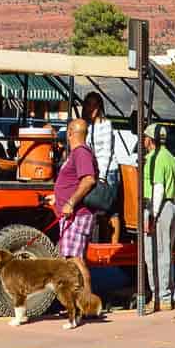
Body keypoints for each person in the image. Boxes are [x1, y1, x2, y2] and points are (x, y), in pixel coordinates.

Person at [50, 118, 98, 291]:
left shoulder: (81, 153)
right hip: (73, 214)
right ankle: (81, 302)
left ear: (70, 132)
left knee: (75, 260)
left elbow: (88, 180)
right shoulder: (78, 153)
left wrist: (70, 202)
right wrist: (57, 197)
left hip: (77, 215)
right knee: (73, 259)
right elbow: (73, 182)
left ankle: (87, 303)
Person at [142, 123, 175, 310]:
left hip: (158, 208)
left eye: (145, 138)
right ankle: (169, 295)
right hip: (171, 207)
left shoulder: (156, 159)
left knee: (154, 256)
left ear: (150, 140)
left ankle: (160, 298)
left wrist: (152, 216)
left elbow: (158, 188)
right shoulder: (170, 158)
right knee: (166, 254)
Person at [82, 92, 120, 243]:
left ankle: (113, 244)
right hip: (94, 170)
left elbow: (106, 152)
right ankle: (103, 242)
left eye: (94, 105)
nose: (91, 108)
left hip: (108, 170)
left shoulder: (105, 125)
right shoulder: (87, 125)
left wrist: (102, 176)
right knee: (97, 208)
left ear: (99, 107)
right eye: (88, 104)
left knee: (109, 209)